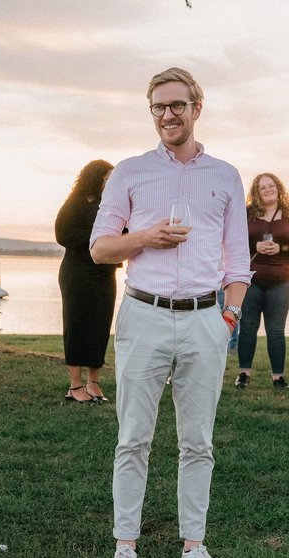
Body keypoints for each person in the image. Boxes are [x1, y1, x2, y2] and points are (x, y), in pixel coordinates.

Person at [90, 68, 250, 558]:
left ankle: (194, 544)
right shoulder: (130, 171)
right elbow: (99, 249)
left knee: (198, 442)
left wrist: (229, 317)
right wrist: (145, 237)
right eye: (158, 107)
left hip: (205, 318)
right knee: (133, 439)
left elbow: (238, 262)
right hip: (143, 314)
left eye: (177, 105)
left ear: (196, 109)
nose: (167, 115)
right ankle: (125, 544)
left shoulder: (225, 175)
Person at [55, 159, 116, 403]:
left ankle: (93, 383)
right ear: (97, 177)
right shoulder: (75, 203)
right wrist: (96, 240)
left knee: (99, 327)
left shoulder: (109, 205)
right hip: (77, 273)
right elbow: (62, 235)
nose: (111, 182)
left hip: (104, 273)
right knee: (77, 325)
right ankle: (75, 386)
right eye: (108, 178)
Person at [234, 173, 289, 390]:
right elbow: (234, 242)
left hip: (281, 280)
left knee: (276, 330)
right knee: (247, 326)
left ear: (278, 188)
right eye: (262, 187)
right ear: (256, 192)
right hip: (252, 279)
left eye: (271, 185)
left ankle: (278, 377)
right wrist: (254, 247)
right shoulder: (247, 215)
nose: (268, 189)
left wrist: (281, 248)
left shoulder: (287, 213)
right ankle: (244, 374)